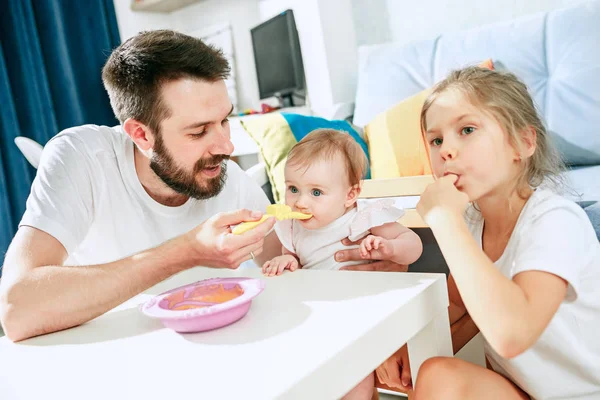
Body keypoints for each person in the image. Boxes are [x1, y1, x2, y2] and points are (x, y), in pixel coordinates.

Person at [0, 30, 404, 343]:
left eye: (225, 120)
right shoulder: (82, 157)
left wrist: (369, 267)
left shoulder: (227, 179)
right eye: (199, 131)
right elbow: (16, 309)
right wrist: (186, 253)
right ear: (141, 134)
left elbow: (292, 268)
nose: (226, 147)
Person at [380, 66, 600, 399]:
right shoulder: (472, 219)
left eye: (467, 129)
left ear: (523, 143)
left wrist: (443, 219)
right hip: (523, 390)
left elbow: (511, 335)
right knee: (437, 374)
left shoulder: (556, 221)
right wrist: (408, 349)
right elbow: (458, 306)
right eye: (436, 140)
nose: (445, 151)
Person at [262, 129, 423, 400]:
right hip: (320, 320)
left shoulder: (363, 218)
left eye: (316, 192)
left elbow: (414, 245)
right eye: (293, 189)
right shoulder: (291, 227)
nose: (300, 201)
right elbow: (294, 262)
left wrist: (391, 248)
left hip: (363, 316)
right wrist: (285, 260)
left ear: (350, 195)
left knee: (354, 380)